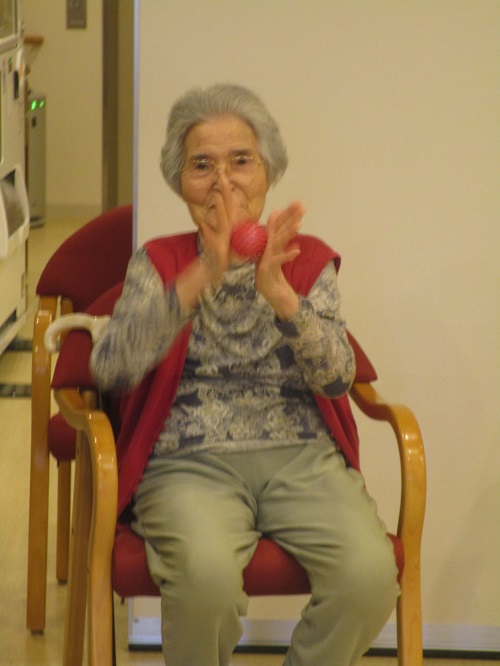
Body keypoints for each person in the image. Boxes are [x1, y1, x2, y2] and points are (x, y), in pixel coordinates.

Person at [90, 83, 399, 666]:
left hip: (302, 458)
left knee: (369, 578)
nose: (223, 183)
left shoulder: (306, 260)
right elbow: (111, 367)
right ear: (179, 181)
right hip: (187, 462)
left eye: (241, 161)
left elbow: (338, 377)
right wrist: (200, 274)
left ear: (267, 172)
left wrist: (282, 298)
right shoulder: (158, 261)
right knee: (204, 582)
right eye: (202, 165)